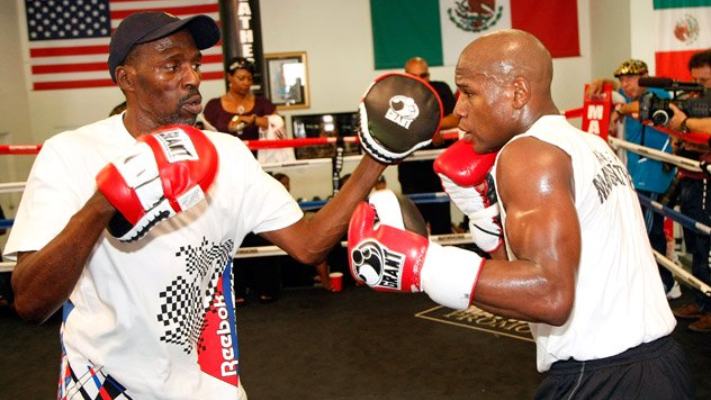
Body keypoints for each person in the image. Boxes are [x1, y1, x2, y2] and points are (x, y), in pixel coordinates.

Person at [3, 11, 403, 399]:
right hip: (104, 387)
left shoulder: (228, 154)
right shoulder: (72, 154)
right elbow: (30, 302)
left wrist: (376, 157)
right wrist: (104, 202)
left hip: (208, 385)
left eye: (195, 64)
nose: (192, 78)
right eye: (171, 66)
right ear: (126, 79)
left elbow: (309, 244)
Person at [349, 30, 693, 398]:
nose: (458, 110)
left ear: (517, 92)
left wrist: (423, 265)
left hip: (602, 378)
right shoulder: (588, 145)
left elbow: (549, 296)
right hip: (659, 367)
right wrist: (487, 222)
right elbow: (532, 284)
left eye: (469, 92)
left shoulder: (528, 154)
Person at [587, 59, 678, 299]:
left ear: (645, 77)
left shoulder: (658, 94)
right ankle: (655, 282)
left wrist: (620, 110)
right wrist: (603, 83)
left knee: (650, 232)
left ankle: (665, 284)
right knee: (640, 230)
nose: (624, 84)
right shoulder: (628, 97)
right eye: (622, 79)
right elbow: (617, 96)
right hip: (636, 175)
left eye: (631, 78)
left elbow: (645, 103)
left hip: (655, 173)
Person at [666, 49, 711, 332]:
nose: (701, 86)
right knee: (697, 242)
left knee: (708, 244)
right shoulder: (697, 101)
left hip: (708, 179)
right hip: (693, 175)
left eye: (706, 80)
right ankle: (701, 298)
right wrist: (681, 139)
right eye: (696, 80)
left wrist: (683, 122)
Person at [397, 56, 457, 235]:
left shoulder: (441, 89)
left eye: (424, 75)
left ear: (429, 75)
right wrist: (432, 128)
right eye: (414, 76)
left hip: (438, 168)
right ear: (406, 76)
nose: (420, 80)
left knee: (442, 227)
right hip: (411, 170)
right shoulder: (395, 95)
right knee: (415, 229)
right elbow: (398, 126)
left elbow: (456, 118)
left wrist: (434, 125)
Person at [203, 57, 293, 163]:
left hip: (259, 163)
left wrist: (253, 120)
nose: (246, 82)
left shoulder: (263, 103)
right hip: (226, 163)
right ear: (229, 77)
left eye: (249, 79)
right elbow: (206, 138)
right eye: (241, 78)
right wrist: (229, 127)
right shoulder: (213, 106)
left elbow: (278, 124)